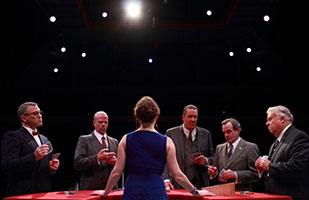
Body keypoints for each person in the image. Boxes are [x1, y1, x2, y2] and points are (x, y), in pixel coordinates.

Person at [103, 96, 215, 199]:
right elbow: (178, 175)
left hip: (133, 191)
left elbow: (117, 172)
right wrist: (195, 192)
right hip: (156, 192)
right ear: (157, 116)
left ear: (137, 117)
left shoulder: (125, 139)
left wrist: (105, 193)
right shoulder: (167, 142)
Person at [1, 102, 60, 197]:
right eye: (35, 113)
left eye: (40, 112)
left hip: (44, 192)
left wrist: (51, 167)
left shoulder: (44, 139)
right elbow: (7, 166)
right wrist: (34, 156)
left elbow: (45, 167)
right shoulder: (13, 136)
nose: (40, 116)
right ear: (24, 118)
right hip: (22, 193)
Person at [255, 105, 309, 200]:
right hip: (276, 196)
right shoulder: (276, 143)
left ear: (282, 119)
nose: (267, 123)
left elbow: (297, 167)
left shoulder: (298, 137)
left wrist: (269, 166)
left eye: (270, 119)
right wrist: (262, 168)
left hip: (291, 196)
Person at [163, 104, 214, 189]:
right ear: (183, 118)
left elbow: (213, 157)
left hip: (201, 184)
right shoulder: (171, 133)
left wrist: (206, 160)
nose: (193, 120)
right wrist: (166, 179)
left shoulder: (206, 134)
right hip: (178, 184)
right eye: (190, 116)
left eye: (195, 117)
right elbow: (164, 158)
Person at [208, 118, 260, 191]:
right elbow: (217, 173)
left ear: (238, 130)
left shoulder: (250, 148)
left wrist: (236, 175)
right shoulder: (219, 148)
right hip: (223, 193)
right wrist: (214, 173)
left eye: (229, 132)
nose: (226, 135)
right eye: (224, 132)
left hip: (241, 194)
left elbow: (256, 174)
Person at [74, 111, 118, 190]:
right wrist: (97, 158)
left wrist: (116, 162)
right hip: (90, 188)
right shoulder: (84, 140)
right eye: (100, 122)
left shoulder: (114, 142)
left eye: (106, 122)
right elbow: (78, 163)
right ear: (94, 123)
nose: (103, 124)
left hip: (110, 188)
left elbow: (120, 164)